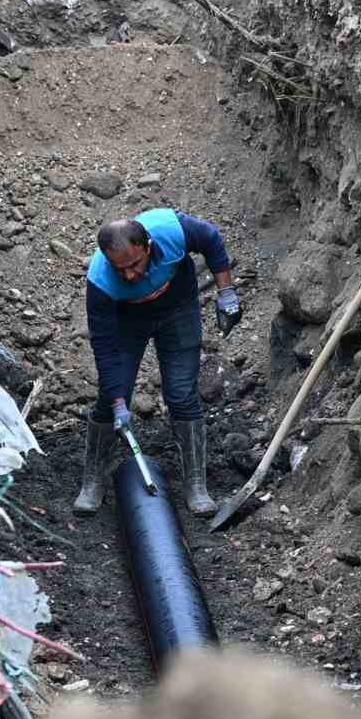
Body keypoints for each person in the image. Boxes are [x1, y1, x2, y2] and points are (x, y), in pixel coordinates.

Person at [72, 208, 243, 516]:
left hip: (178, 310)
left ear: (148, 245)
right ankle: (93, 481)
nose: (129, 274)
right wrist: (118, 403)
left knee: (181, 393)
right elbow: (105, 347)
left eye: (134, 264)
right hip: (127, 323)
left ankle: (195, 484)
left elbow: (213, 241)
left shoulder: (174, 231)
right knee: (110, 397)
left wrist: (227, 292)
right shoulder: (100, 281)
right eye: (119, 268)